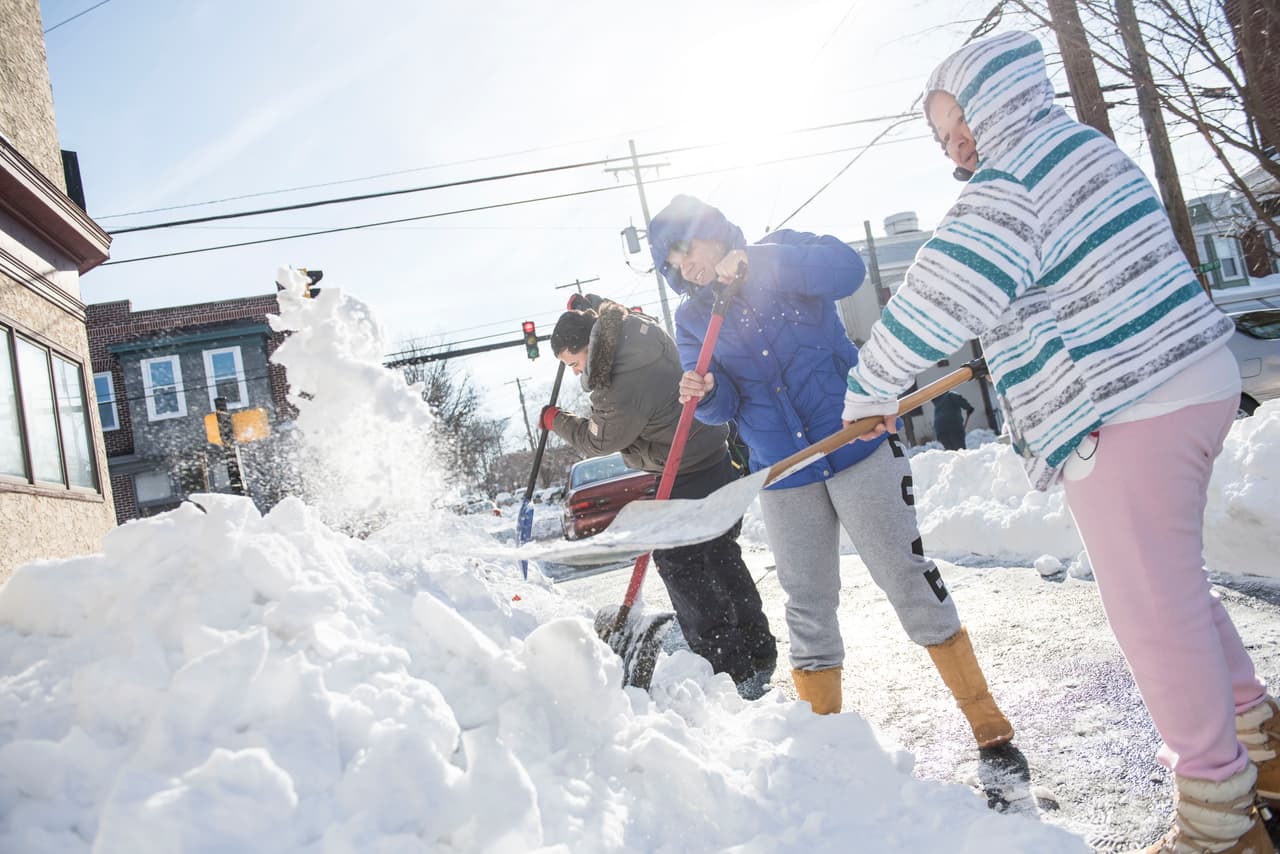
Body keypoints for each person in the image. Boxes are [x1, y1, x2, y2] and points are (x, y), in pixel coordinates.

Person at [841, 30, 1277, 854]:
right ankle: (1260, 744)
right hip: (1187, 377)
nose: (954, 144)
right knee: (1177, 594)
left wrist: (869, 389)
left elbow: (941, 293)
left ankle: (1220, 817)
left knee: (1153, 612)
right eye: (941, 138)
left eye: (958, 120)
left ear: (998, 101)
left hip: (1127, 400)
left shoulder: (1013, 182)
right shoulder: (1078, 149)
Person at [646, 194, 1014, 751]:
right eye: (669, 262)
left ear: (712, 230)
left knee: (905, 576)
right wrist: (708, 390)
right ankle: (824, 747)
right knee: (808, 605)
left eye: (683, 248)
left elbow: (848, 271)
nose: (682, 265)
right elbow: (725, 409)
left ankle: (987, 724)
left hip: (855, 445)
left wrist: (760, 262)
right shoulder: (694, 317)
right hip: (784, 473)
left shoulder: (782, 253)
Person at [542, 298, 777, 698]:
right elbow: (608, 313)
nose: (576, 371)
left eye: (573, 362)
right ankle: (758, 649)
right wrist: (589, 307)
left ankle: (728, 665)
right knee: (720, 554)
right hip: (713, 454)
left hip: (684, 467)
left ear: (589, 347)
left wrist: (556, 421)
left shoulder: (615, 385)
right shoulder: (632, 325)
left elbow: (599, 439)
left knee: (681, 562)